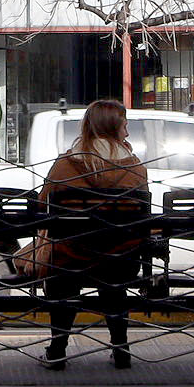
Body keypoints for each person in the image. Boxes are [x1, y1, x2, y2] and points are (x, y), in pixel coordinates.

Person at [35, 99, 153, 370]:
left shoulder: (65, 165)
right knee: (114, 286)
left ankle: (57, 351)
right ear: (113, 128)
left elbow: (43, 206)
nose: (128, 131)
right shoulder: (135, 169)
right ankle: (121, 349)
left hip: (71, 259)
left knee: (61, 284)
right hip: (121, 261)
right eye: (125, 125)